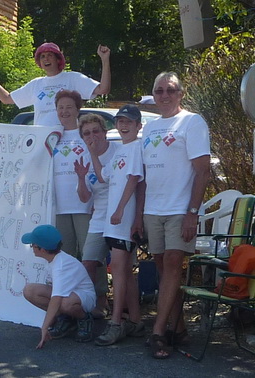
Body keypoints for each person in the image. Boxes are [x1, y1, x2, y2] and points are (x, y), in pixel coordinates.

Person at [135, 72, 211, 359]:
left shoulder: (192, 122)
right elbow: (143, 177)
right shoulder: (151, 128)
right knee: (164, 270)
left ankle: (158, 332)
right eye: (159, 91)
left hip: (181, 209)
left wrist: (193, 212)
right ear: (153, 96)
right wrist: (139, 214)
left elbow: (203, 170)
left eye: (170, 90)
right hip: (153, 209)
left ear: (180, 94)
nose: (164, 95)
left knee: (172, 263)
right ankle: (179, 329)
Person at [89, 105, 144, 346]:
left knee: (119, 272)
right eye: (120, 121)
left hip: (123, 220)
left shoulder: (136, 148)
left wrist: (121, 209)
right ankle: (136, 320)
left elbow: (134, 180)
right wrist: (92, 153)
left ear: (138, 126)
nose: (123, 126)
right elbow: (104, 176)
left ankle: (116, 323)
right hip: (113, 221)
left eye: (128, 122)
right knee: (124, 273)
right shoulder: (120, 150)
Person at [0, 42, 110, 126]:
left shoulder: (72, 78)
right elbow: (6, 99)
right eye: (42, 56)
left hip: (67, 140)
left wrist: (105, 60)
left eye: (49, 55)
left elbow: (103, 89)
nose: (46, 59)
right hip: (42, 141)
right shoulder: (36, 84)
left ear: (58, 59)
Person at [22, 224, 96, 348]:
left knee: (65, 303)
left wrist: (44, 327)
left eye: (33, 245)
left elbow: (56, 298)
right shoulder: (53, 259)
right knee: (29, 290)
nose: (32, 248)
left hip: (84, 296)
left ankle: (84, 318)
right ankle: (66, 319)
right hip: (69, 295)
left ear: (43, 250)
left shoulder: (60, 265)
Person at [74, 113, 117, 319]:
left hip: (120, 216)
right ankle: (88, 308)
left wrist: (92, 154)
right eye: (87, 133)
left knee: (120, 267)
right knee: (88, 263)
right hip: (99, 216)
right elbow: (84, 198)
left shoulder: (118, 151)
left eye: (96, 131)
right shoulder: (83, 158)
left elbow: (105, 178)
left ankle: (120, 310)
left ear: (104, 132)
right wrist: (81, 179)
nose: (92, 136)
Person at [52, 91, 92, 261]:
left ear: (78, 110)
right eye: (60, 107)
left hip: (84, 205)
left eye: (69, 107)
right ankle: (67, 288)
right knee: (64, 256)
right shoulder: (52, 136)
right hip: (59, 206)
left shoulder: (86, 134)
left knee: (89, 254)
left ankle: (96, 288)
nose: (64, 111)